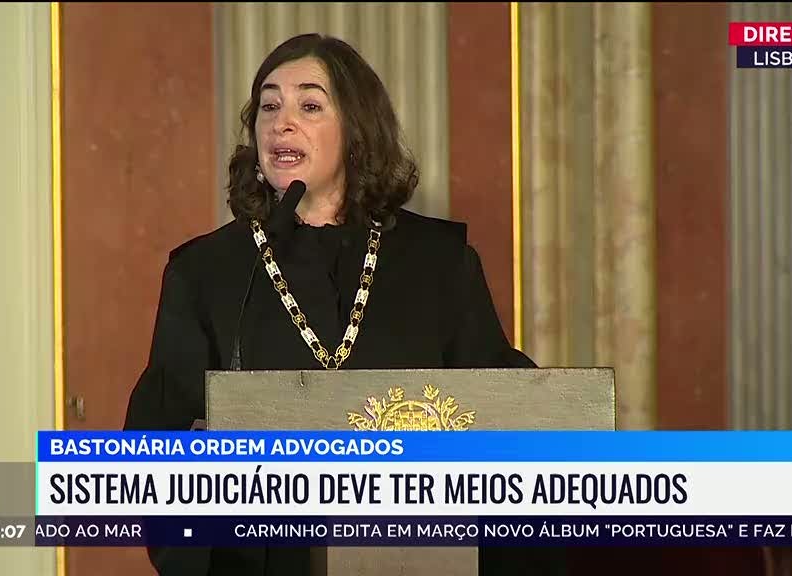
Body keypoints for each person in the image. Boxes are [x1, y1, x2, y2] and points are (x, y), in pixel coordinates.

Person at [124, 33, 564, 576]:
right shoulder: (208, 272)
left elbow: (502, 407)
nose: (281, 123)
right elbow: (156, 445)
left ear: (357, 131)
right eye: (269, 107)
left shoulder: (438, 263)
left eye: (309, 106)